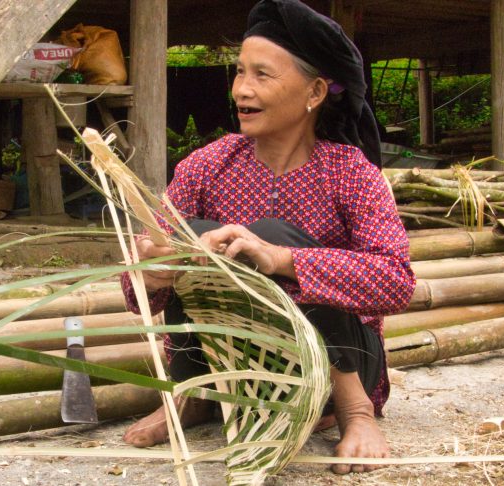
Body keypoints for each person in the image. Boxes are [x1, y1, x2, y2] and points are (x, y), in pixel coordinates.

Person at [120, 0, 415, 474]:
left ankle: (353, 411)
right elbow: (137, 293)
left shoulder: (351, 173)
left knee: (269, 238)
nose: (242, 89)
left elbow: (396, 281)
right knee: (193, 237)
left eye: (262, 74)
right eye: (239, 72)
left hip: (335, 371)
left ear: (315, 91)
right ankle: (194, 393)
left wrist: (281, 259)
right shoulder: (205, 166)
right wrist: (152, 274)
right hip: (234, 368)